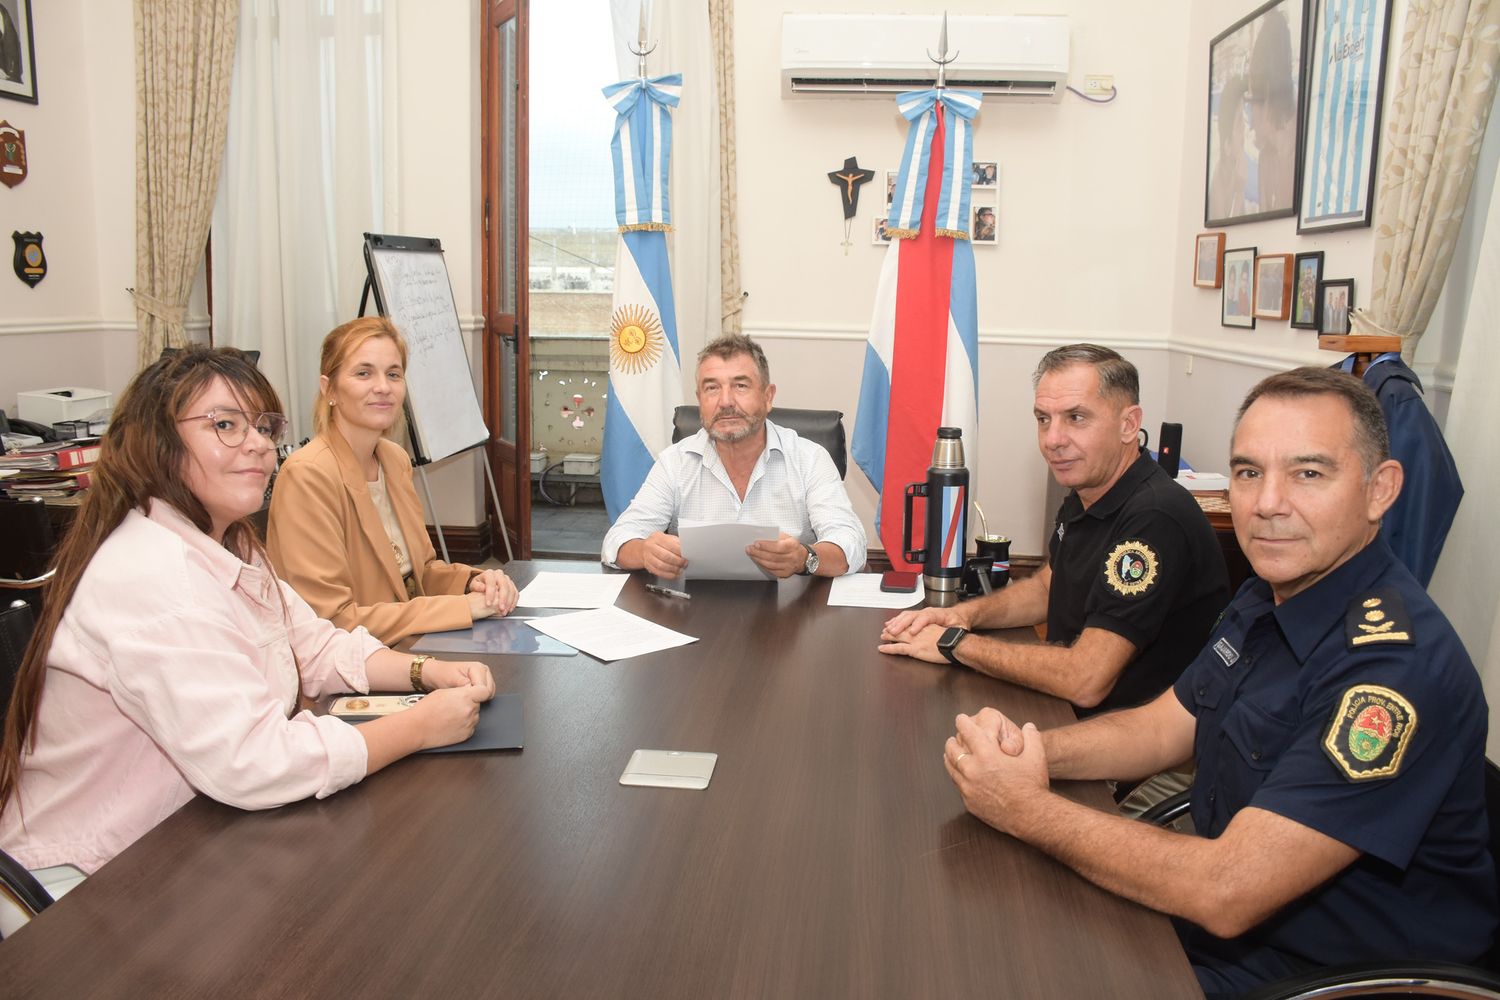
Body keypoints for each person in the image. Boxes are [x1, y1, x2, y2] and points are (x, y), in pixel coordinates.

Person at [941, 368, 1495, 997]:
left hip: (1326, 976)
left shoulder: (1393, 671)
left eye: (1308, 474)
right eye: (1249, 472)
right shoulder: (1270, 594)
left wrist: (1026, 807)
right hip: (1226, 931)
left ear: (1379, 491)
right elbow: (1161, 730)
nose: (1267, 503)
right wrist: (1023, 750)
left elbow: (1227, 888)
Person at [0, 347, 496, 880]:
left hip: (190, 836)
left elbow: (314, 644)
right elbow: (254, 762)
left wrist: (424, 672)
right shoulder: (153, 573)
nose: (259, 444)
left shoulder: (230, 539)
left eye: (263, 426)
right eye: (226, 425)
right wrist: (419, 725)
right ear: (158, 444)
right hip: (86, 879)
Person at [880, 344, 1228, 718]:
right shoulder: (1089, 489)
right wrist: (963, 616)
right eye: (1043, 418)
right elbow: (1048, 587)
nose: (1053, 439)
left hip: (1140, 753)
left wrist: (955, 644)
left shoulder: (1156, 517)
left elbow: (1086, 678)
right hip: (1075, 716)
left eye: (1076, 417)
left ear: (1129, 425)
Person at [267, 318, 517, 645]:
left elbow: (421, 572)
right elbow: (331, 620)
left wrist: (476, 582)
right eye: (363, 373)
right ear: (329, 389)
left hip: (408, 638)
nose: (383, 387)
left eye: (393, 374)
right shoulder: (307, 475)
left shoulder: (393, 458)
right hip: (354, 661)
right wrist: (461, 608)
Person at [602, 333, 866, 579]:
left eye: (740, 386)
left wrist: (805, 558)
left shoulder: (810, 459)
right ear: (699, 399)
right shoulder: (675, 462)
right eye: (712, 388)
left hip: (790, 609)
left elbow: (850, 543)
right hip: (693, 609)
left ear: (768, 396)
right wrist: (645, 551)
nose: (725, 401)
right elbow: (618, 540)